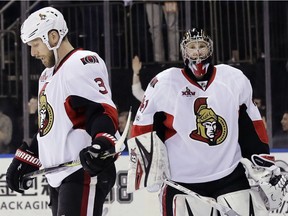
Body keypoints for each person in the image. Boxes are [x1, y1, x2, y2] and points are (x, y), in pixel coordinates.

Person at [128, 28, 286, 215]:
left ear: (210, 49)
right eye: (192, 47)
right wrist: (147, 165)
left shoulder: (233, 79)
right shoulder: (164, 83)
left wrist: (262, 160)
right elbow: (143, 124)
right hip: (182, 182)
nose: (197, 52)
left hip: (230, 176)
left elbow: (251, 125)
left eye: (201, 46)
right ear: (183, 52)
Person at [6, 7, 119, 216]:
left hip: (83, 172)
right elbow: (50, 126)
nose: (32, 53)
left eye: (36, 45)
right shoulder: (47, 75)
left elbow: (101, 111)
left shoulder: (81, 62)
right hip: (60, 176)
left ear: (53, 36)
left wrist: (102, 144)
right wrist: (27, 157)